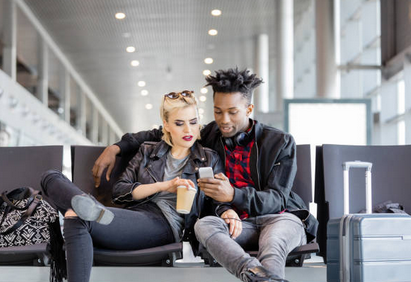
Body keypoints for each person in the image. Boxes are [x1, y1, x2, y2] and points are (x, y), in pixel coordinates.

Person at [92, 68, 318, 282]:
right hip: (238, 224)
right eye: (218, 111)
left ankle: (261, 275)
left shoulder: (279, 142)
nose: (224, 120)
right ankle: (251, 271)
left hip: (281, 217)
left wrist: (233, 196)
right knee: (204, 226)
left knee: (273, 247)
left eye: (232, 112)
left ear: (249, 109)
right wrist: (116, 147)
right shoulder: (210, 133)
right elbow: (162, 131)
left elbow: (276, 199)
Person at [41, 90, 223, 282]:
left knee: (77, 218)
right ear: (167, 125)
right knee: (50, 177)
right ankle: (86, 206)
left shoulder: (209, 158)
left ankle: (87, 208)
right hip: (136, 213)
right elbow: (120, 192)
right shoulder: (147, 151)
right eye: (180, 123)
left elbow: (215, 202)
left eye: (193, 122)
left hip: (165, 223)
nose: (188, 130)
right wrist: (164, 186)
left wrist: (228, 211)